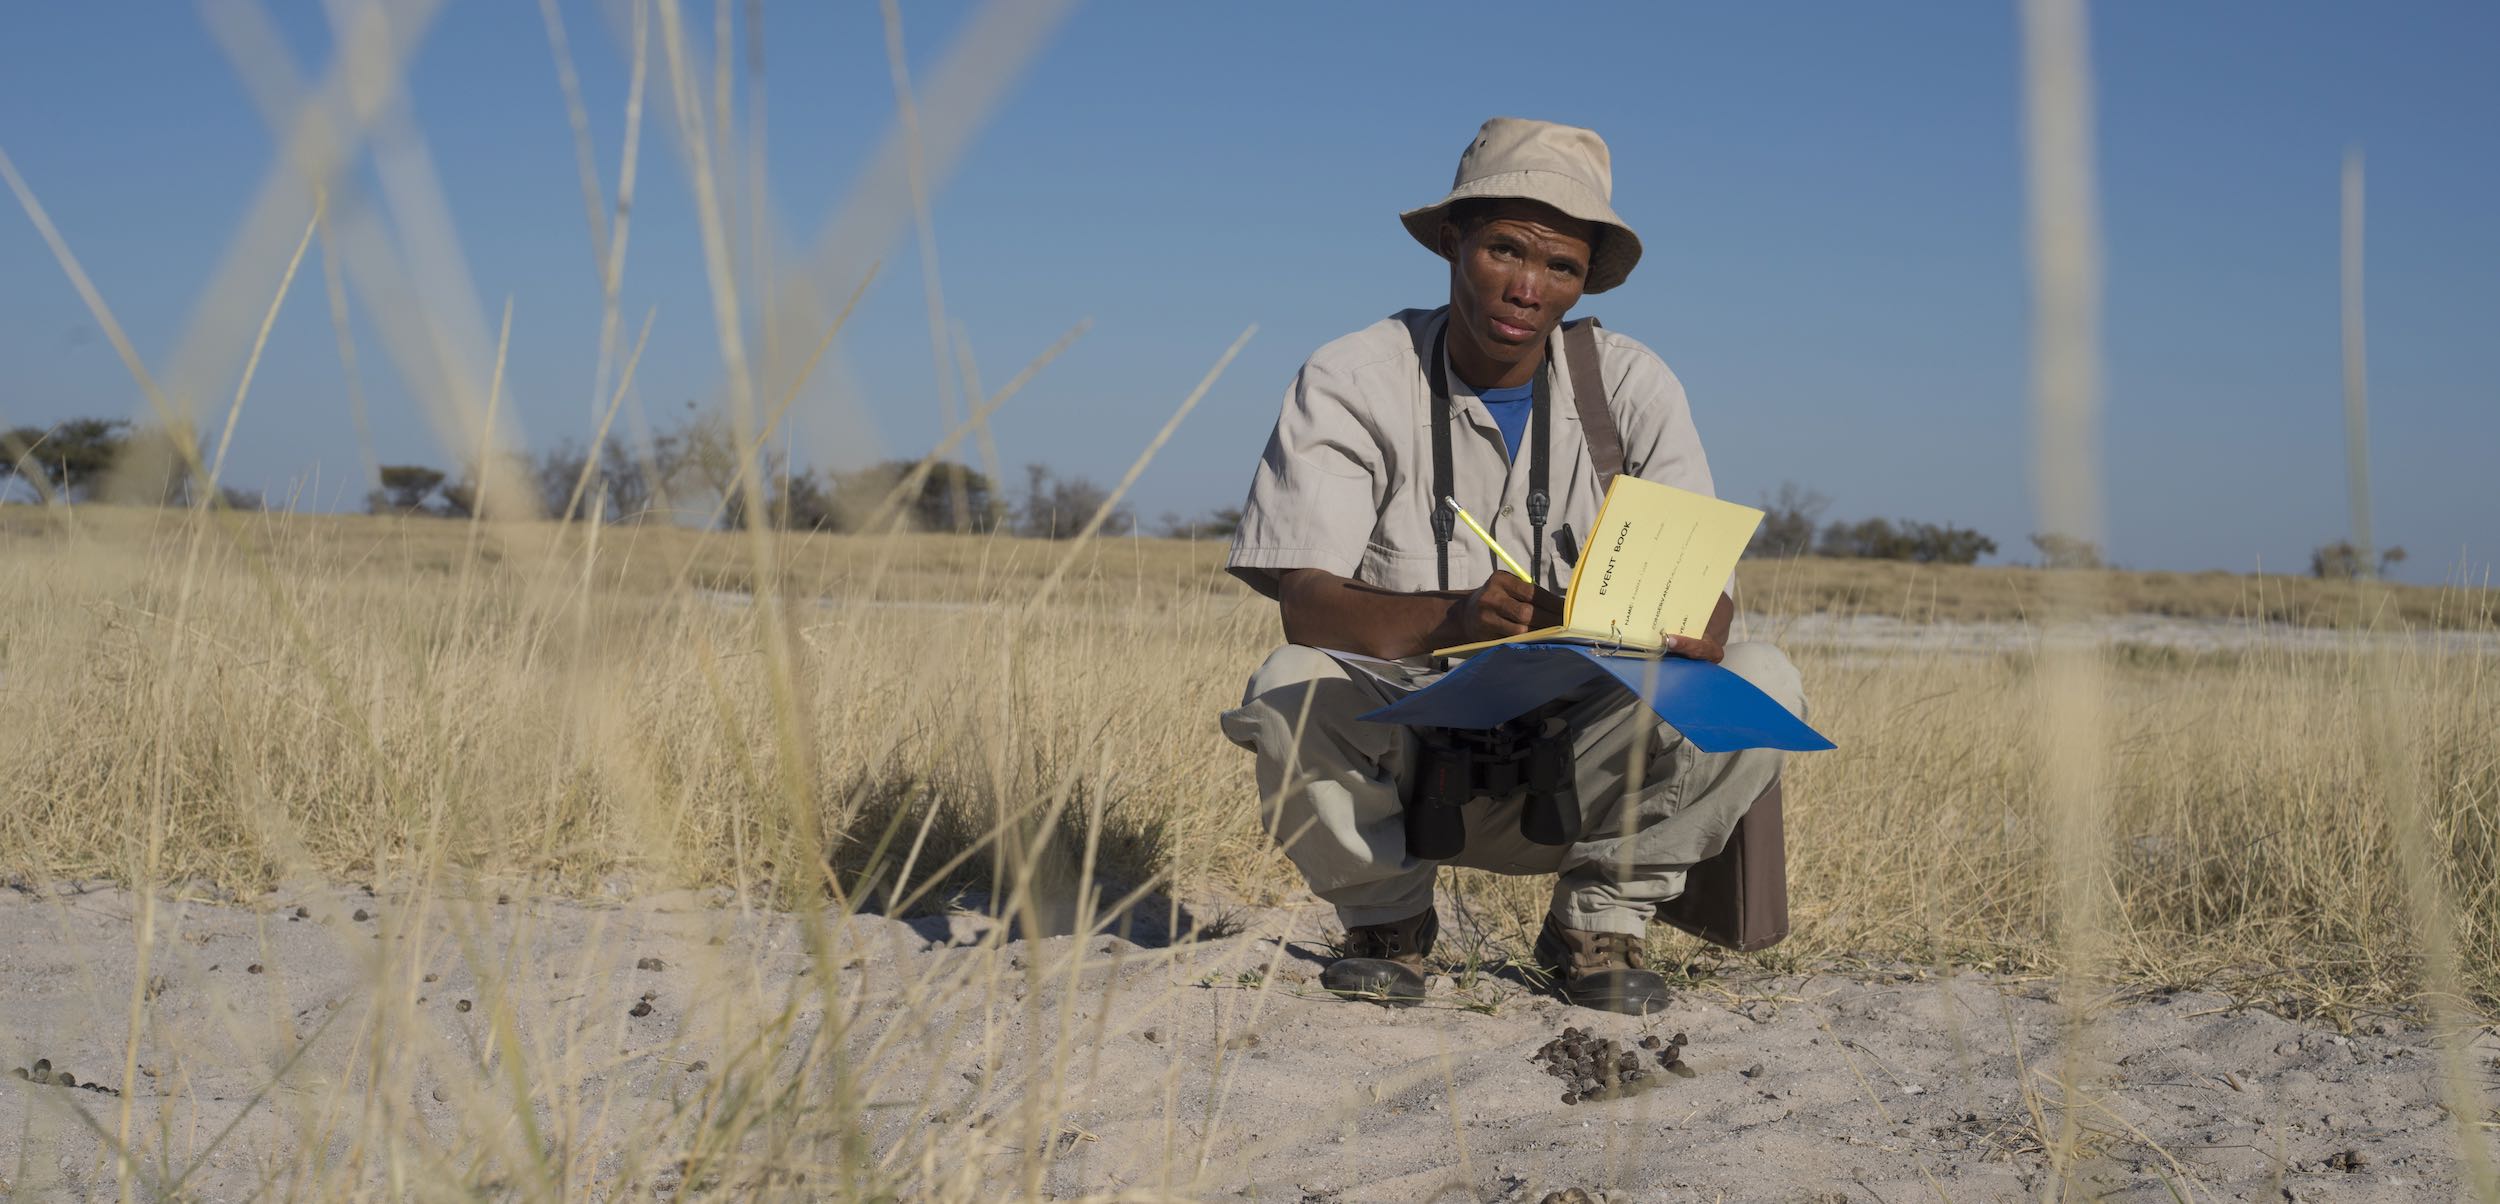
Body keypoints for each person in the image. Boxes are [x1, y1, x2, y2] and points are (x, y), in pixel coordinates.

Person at [1217, 117, 1807, 1015]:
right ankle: (1387, 923)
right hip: (1412, 747)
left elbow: (1709, 603)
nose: (1529, 287)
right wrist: (1451, 623)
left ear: (1582, 282)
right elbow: (1307, 605)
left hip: (1581, 761)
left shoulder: (1633, 385)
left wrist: (1695, 622)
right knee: (1289, 683)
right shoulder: (1353, 377)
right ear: (1452, 242)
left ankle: (1598, 924)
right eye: (1504, 249)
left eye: (1561, 267)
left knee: (1765, 680)